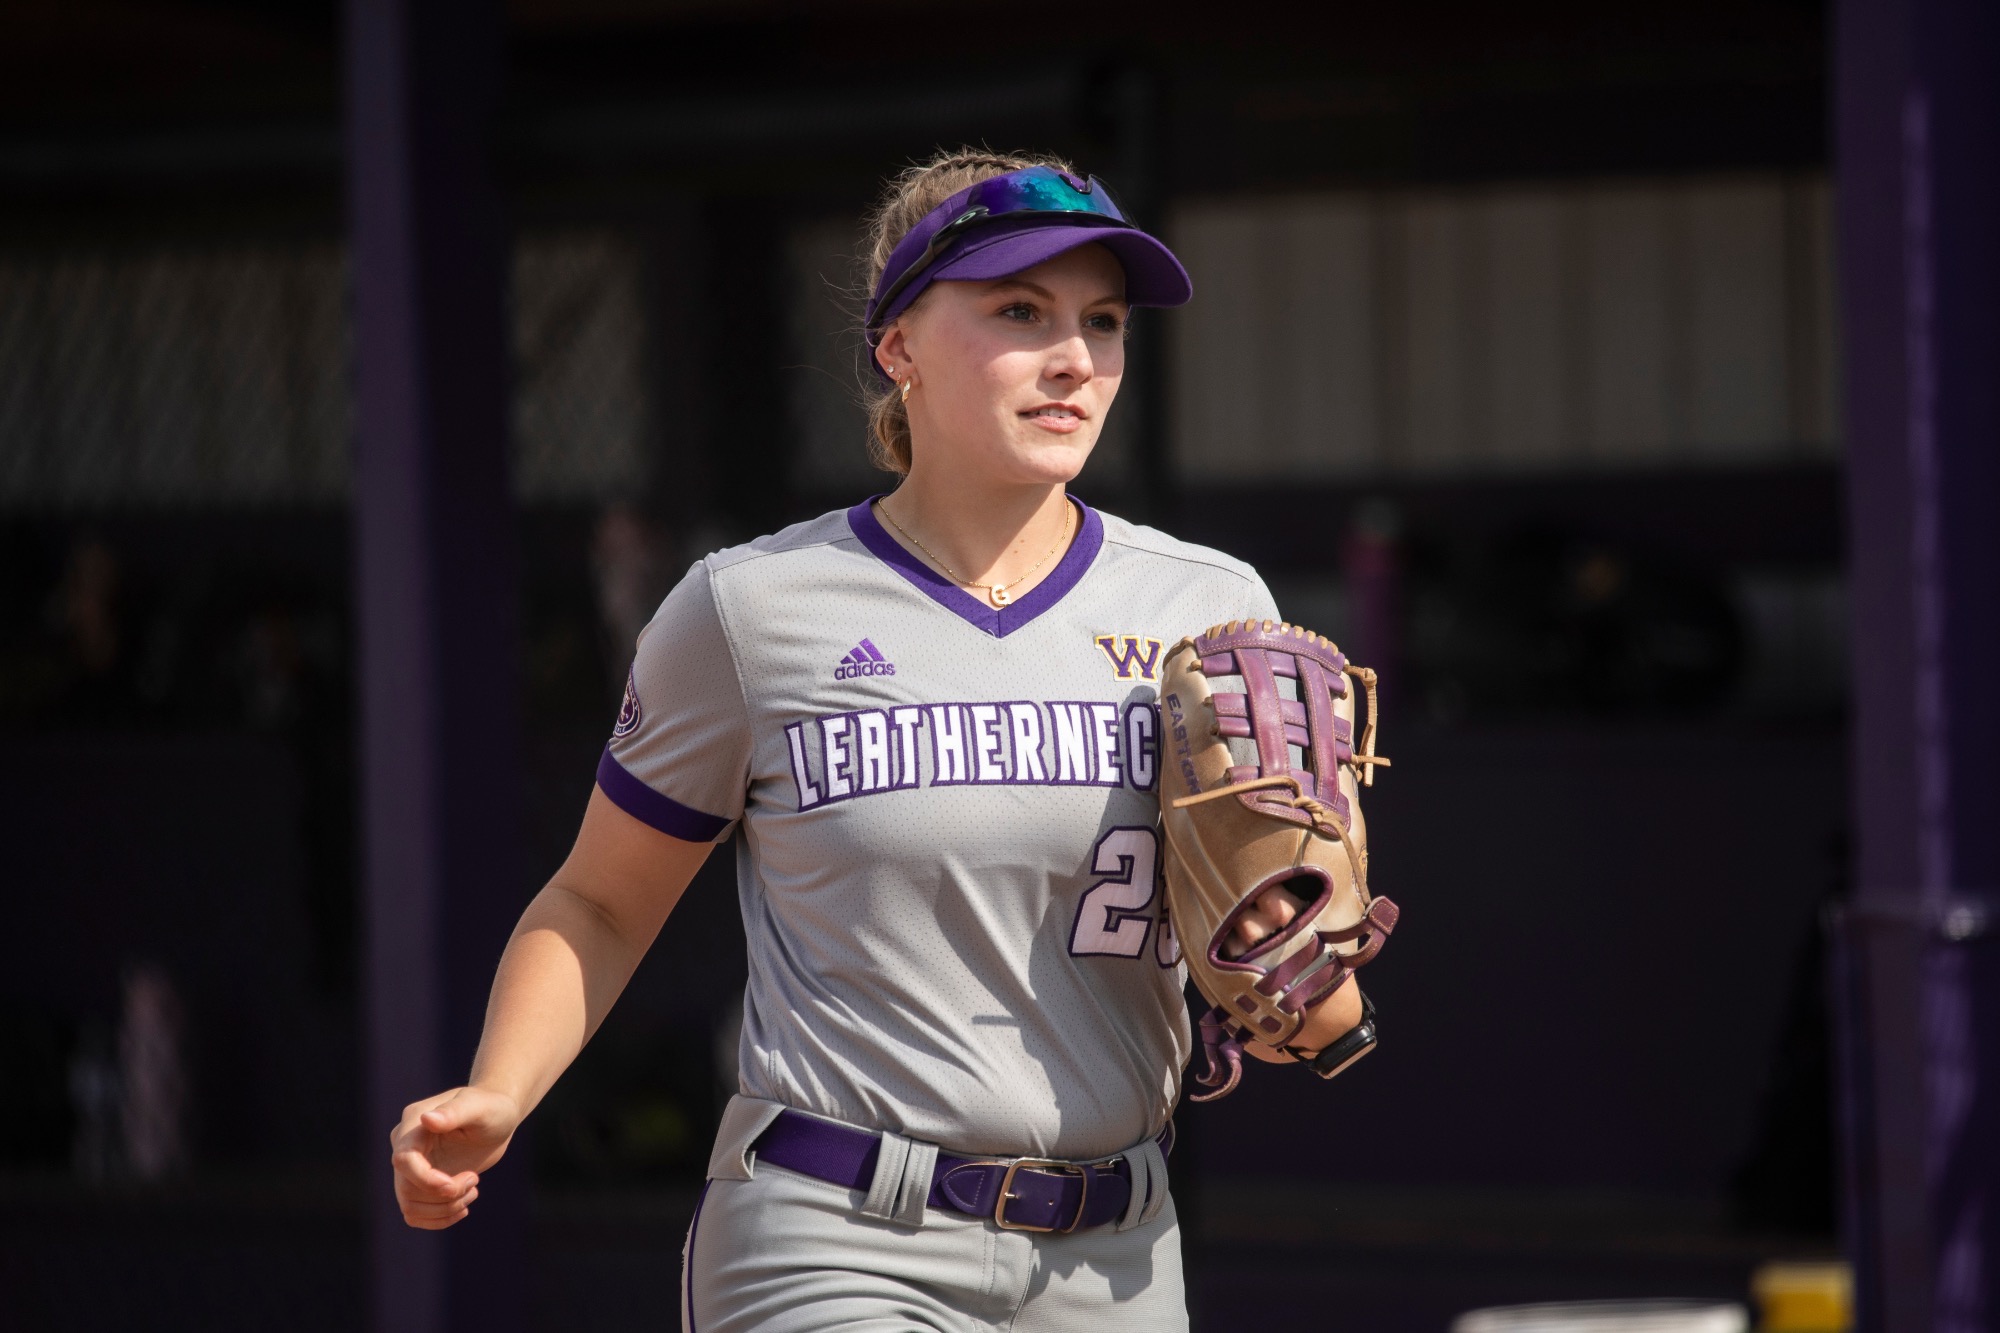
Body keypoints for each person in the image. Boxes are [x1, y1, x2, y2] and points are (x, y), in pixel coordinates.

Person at [389, 148, 1363, 1331]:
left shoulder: (1206, 605)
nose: (1074, 359)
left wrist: (1297, 970)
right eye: (1018, 309)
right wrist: (499, 1090)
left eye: (1101, 322)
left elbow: (1296, 986)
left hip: (1113, 1258)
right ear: (896, 344)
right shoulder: (750, 608)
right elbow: (598, 902)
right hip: (835, 1233)